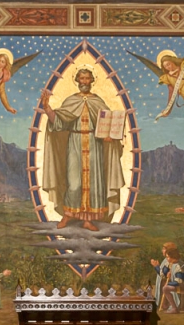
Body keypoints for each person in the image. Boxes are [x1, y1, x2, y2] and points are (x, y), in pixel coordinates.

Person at [40, 68, 125, 231]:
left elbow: (108, 123)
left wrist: (109, 135)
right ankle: (68, 215)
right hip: (75, 143)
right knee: (73, 183)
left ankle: (88, 219)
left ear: (92, 80)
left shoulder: (97, 101)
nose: (84, 81)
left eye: (87, 78)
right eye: (82, 78)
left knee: (94, 183)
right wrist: (47, 109)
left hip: (95, 144)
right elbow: (58, 123)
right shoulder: (71, 101)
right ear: (77, 81)